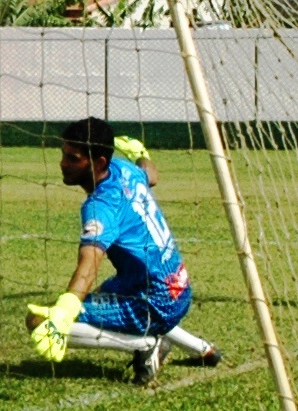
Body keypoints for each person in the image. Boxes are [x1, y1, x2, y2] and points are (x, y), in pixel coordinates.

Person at [23, 116, 216, 384]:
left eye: (73, 157)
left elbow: (89, 265)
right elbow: (152, 174)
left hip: (154, 300)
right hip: (178, 287)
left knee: (38, 320)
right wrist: (141, 154)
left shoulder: (100, 206)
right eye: (63, 154)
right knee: (102, 295)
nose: (63, 163)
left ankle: (145, 345)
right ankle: (202, 349)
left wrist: (65, 310)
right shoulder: (124, 169)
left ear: (99, 162)